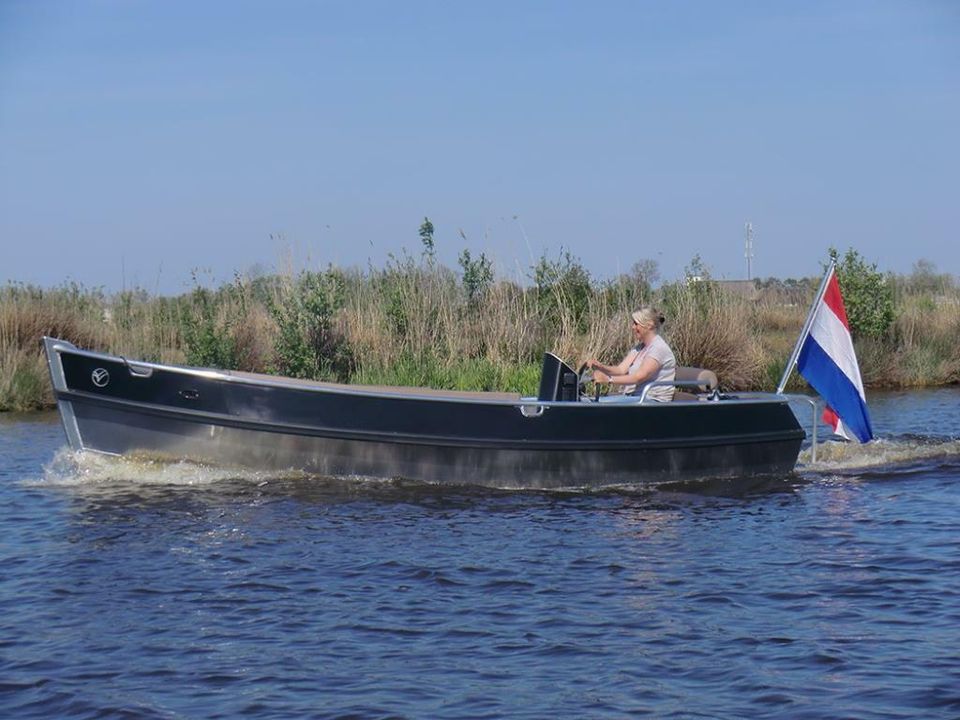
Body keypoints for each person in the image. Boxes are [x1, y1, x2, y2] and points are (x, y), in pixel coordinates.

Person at [586, 307, 677, 402]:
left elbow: (638, 377)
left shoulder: (658, 348)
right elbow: (620, 370)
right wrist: (600, 367)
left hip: (652, 401)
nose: (633, 327)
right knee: (588, 401)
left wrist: (608, 379)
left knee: (599, 404)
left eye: (636, 324)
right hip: (637, 398)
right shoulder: (640, 348)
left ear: (649, 325)